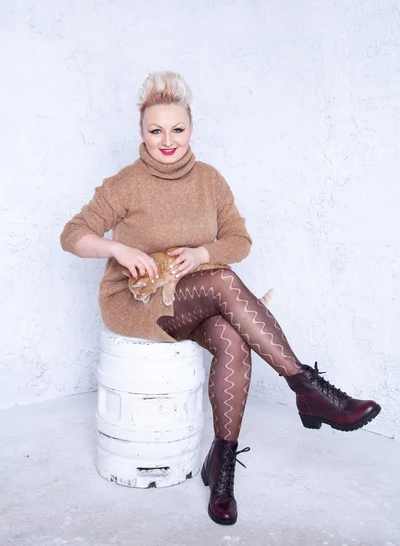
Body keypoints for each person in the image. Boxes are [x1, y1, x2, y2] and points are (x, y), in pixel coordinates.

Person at [60, 71, 381, 526]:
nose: (167, 140)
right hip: (138, 303)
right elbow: (71, 234)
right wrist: (117, 248)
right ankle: (307, 388)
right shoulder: (124, 184)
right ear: (141, 133)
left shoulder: (210, 181)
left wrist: (203, 252)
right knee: (224, 281)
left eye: (177, 129)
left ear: (191, 129)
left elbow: (239, 239)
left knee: (232, 337)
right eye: (156, 131)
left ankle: (221, 464)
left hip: (193, 299)